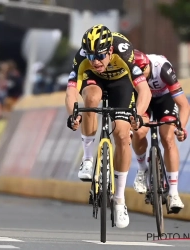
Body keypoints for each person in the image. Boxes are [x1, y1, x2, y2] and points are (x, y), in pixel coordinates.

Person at [65, 24, 152, 228]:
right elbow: (70, 93)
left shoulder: (124, 51)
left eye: (100, 56)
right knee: (91, 100)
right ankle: (87, 160)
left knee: (122, 135)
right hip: (94, 82)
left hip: (120, 82)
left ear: (110, 51)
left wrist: (137, 115)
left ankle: (120, 200)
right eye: (90, 56)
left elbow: (144, 91)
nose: (95, 61)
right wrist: (73, 115)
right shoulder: (81, 58)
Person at [132, 49, 189, 213]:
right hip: (143, 100)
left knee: (168, 138)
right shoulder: (132, 74)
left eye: (143, 72)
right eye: (137, 74)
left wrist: (181, 127)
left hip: (164, 99)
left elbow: (184, 105)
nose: (141, 77)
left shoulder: (162, 68)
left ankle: (173, 192)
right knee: (139, 131)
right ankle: (142, 169)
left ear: (148, 65)